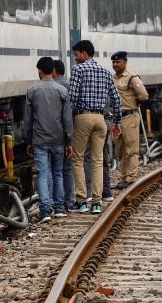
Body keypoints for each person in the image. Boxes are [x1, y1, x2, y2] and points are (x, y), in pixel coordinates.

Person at [67, 40, 121, 214]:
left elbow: (72, 97)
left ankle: (82, 200)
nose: (75, 59)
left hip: (83, 116)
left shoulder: (79, 70)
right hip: (101, 119)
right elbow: (116, 99)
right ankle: (97, 203)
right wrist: (117, 122)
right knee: (98, 161)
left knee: (78, 158)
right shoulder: (106, 72)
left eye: (76, 55)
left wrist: (70, 118)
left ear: (84, 53)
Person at [24, 57, 73, 223]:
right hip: (58, 139)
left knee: (43, 174)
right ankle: (59, 208)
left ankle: (45, 211)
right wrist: (69, 141)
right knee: (58, 173)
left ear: (39, 71)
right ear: (53, 71)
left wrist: (29, 141)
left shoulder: (32, 90)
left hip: (39, 140)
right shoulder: (62, 90)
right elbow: (67, 119)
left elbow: (28, 120)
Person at [111, 51, 148, 188]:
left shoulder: (132, 78)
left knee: (131, 149)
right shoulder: (112, 78)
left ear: (125, 62)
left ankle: (131, 178)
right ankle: (124, 177)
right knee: (120, 150)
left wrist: (135, 103)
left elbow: (144, 95)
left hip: (130, 117)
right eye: (113, 62)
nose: (115, 64)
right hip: (117, 119)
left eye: (118, 62)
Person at [52, 59, 76, 213]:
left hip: (51, 134)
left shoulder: (46, 87)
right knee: (67, 169)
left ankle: (56, 204)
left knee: (54, 170)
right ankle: (70, 201)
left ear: (53, 71)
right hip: (68, 132)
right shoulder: (69, 86)